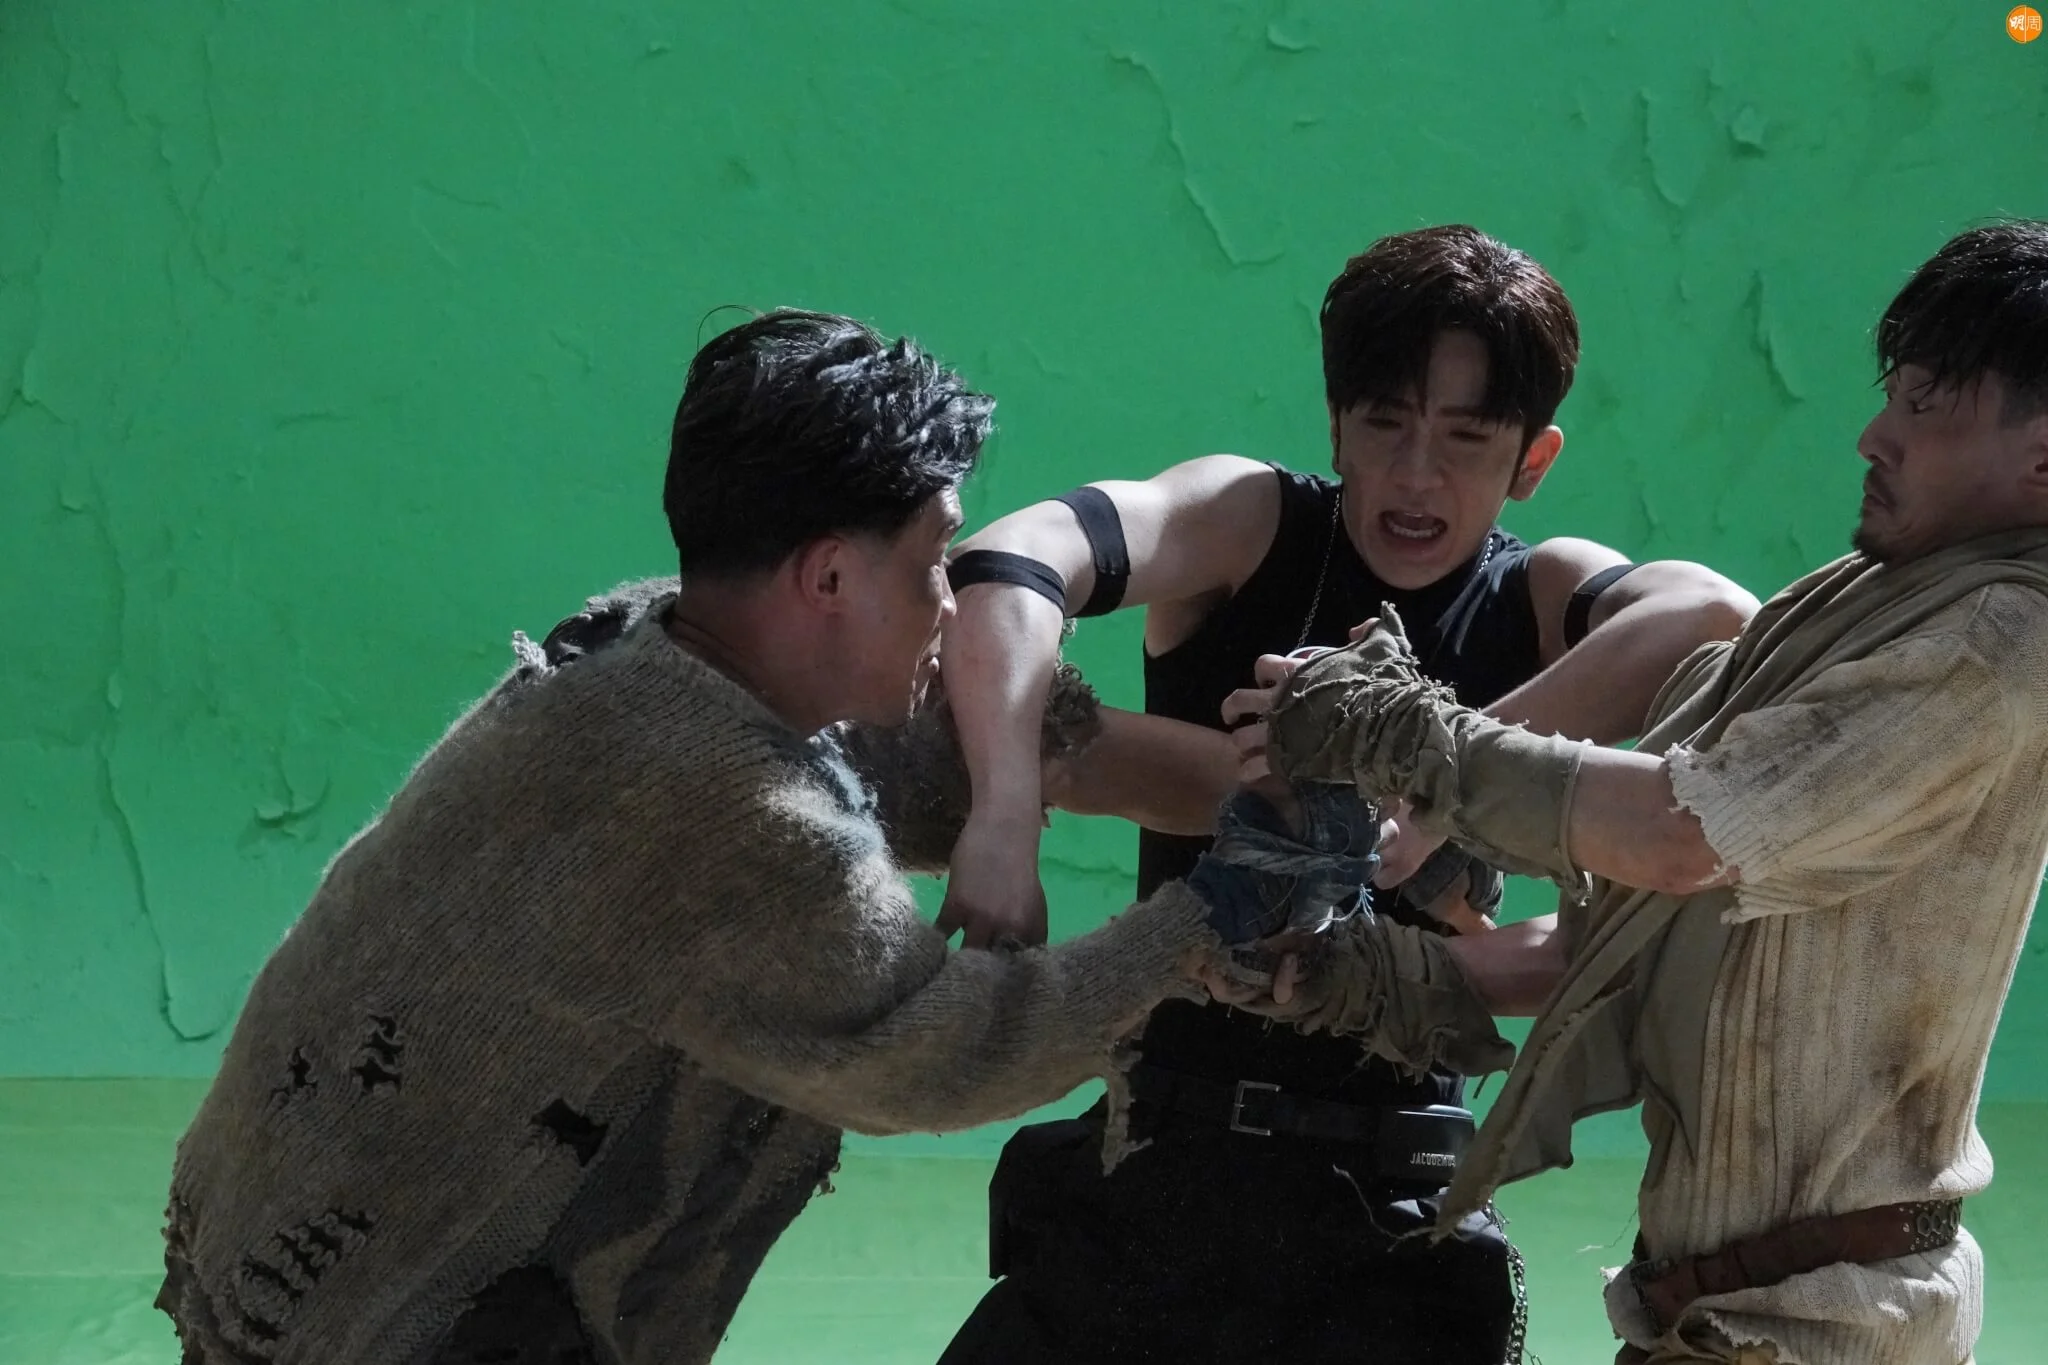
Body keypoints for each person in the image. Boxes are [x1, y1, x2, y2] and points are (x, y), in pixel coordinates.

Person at [151, 309, 1351, 1365]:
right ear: (827, 579)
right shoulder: (736, 819)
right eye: (933, 563)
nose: (949, 604)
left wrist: (1292, 796)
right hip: (377, 1314)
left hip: (273, 1227)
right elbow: (937, 1049)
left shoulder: (659, 648)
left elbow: (1034, 752)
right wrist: (1214, 914)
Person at [933, 226, 1758, 1364]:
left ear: (1531, 458)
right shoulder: (1251, 524)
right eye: (1384, 424)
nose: (1417, 475)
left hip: (1399, 1207)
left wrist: (1439, 778)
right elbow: (1009, 561)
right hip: (1162, 1162)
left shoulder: (1538, 594)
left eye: (1465, 437)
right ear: (1335, 424)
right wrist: (1001, 816)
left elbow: (1716, 615)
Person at [1246, 220, 2048, 1365]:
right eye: (1893, 395)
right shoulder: (1868, 598)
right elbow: (1642, 925)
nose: (1874, 435)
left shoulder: (1994, 640)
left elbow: (1678, 834)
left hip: (1821, 1324)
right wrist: (1376, 977)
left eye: (1925, 407)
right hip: (1730, 1311)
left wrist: (1405, 737)